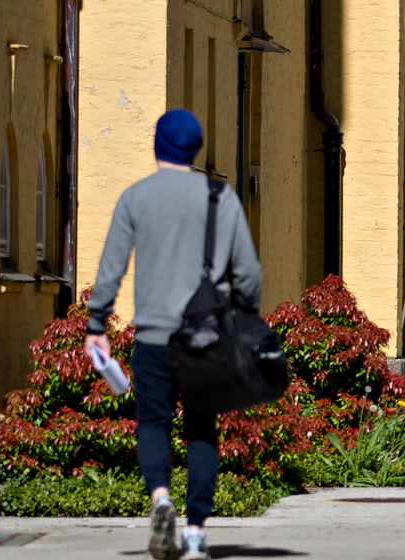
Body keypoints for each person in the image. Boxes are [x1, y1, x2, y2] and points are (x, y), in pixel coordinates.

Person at [83, 109, 262, 560]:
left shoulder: (136, 197)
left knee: (154, 424)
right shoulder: (221, 198)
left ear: (158, 145)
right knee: (202, 430)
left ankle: (161, 499)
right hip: (206, 340)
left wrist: (97, 325)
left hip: (154, 339)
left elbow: (111, 268)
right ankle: (197, 533)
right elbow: (249, 274)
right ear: (196, 147)